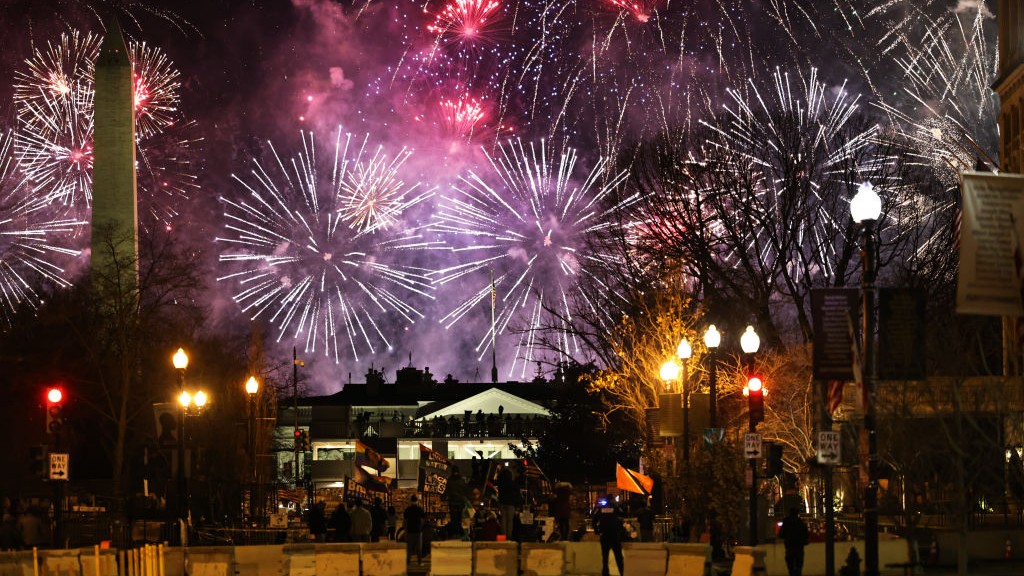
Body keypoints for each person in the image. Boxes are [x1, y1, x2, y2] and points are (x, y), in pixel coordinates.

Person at [593, 498, 625, 576]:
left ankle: (605, 573)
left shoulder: (601, 509)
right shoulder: (615, 508)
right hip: (614, 534)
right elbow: (623, 514)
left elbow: (594, 520)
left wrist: (597, 531)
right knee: (618, 556)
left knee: (605, 556)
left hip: (604, 535)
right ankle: (622, 572)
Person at [778, 507, 810, 576]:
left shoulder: (786, 522)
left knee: (791, 567)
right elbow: (806, 536)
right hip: (799, 548)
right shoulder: (801, 523)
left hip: (789, 547)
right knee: (799, 566)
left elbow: (781, 534)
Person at [404, 495, 426, 564]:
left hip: (410, 530)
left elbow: (405, 521)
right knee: (419, 548)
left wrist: (405, 530)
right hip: (418, 530)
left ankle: (408, 561)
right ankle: (419, 562)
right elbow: (423, 519)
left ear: (411, 501)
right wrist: (421, 527)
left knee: (409, 547)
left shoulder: (408, 509)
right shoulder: (420, 509)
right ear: (417, 501)